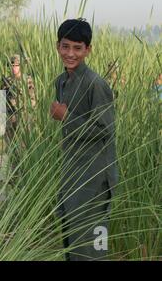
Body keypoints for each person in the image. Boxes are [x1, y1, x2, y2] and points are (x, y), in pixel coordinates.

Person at [50, 19, 118, 261]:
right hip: (72, 171)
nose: (70, 54)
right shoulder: (61, 82)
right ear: (57, 46)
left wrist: (66, 116)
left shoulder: (96, 84)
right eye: (65, 47)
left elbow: (104, 130)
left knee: (92, 245)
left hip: (95, 176)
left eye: (77, 48)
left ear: (88, 50)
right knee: (72, 238)